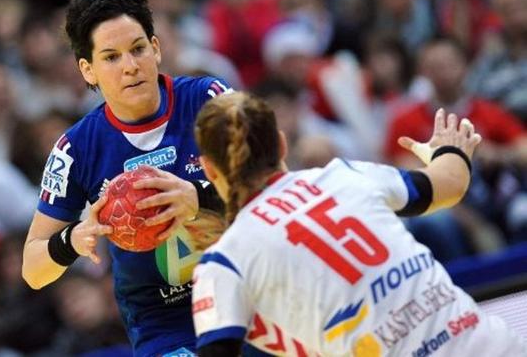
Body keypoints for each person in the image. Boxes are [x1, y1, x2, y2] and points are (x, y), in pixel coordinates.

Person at [191, 92, 526, 356]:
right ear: (281, 143)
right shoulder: (345, 174)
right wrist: (449, 149)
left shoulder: (222, 263)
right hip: (496, 346)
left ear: (209, 170)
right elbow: (450, 184)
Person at [22, 0, 230, 356]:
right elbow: (33, 269)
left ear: (156, 48)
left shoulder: (210, 101)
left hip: (243, 289)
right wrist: (74, 239)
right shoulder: (76, 149)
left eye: (137, 49)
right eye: (111, 57)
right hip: (166, 325)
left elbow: (272, 190)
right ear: (88, 70)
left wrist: (200, 200)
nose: (130, 66)